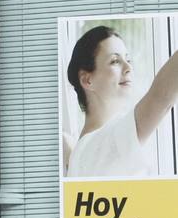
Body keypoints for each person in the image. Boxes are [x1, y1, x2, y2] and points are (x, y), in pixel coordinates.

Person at [65, 24, 178, 178]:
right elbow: (161, 97)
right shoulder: (104, 142)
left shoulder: (80, 153)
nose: (128, 67)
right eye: (115, 61)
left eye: (128, 59)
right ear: (87, 80)